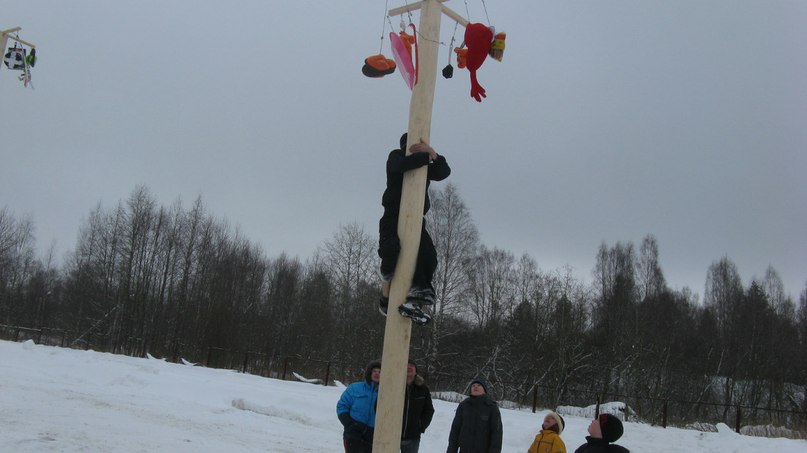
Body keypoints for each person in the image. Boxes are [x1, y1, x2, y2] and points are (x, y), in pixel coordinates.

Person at [378, 132, 451, 325]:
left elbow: (443, 172)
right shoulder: (396, 156)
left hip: (416, 219)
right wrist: (423, 156)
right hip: (393, 215)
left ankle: (416, 298)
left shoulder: (424, 165)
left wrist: (433, 154)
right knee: (390, 251)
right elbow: (400, 165)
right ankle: (385, 299)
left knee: (428, 256)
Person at [446, 378, 503, 453]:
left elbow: (496, 433)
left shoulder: (491, 407)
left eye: (479, 385)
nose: (475, 387)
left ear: (484, 389)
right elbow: (455, 430)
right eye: (473, 385)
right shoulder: (463, 405)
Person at [337, 361, 381, 453]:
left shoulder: (387, 393)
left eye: (380, 372)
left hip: (373, 434)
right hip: (353, 432)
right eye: (374, 371)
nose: (377, 373)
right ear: (369, 373)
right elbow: (342, 406)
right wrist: (349, 424)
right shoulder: (355, 388)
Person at [401, 360, 435, 453]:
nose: (409, 367)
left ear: (416, 371)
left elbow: (429, 410)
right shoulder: (393, 386)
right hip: (392, 434)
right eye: (407, 365)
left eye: (412, 366)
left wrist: (421, 425)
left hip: (412, 437)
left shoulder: (423, 389)